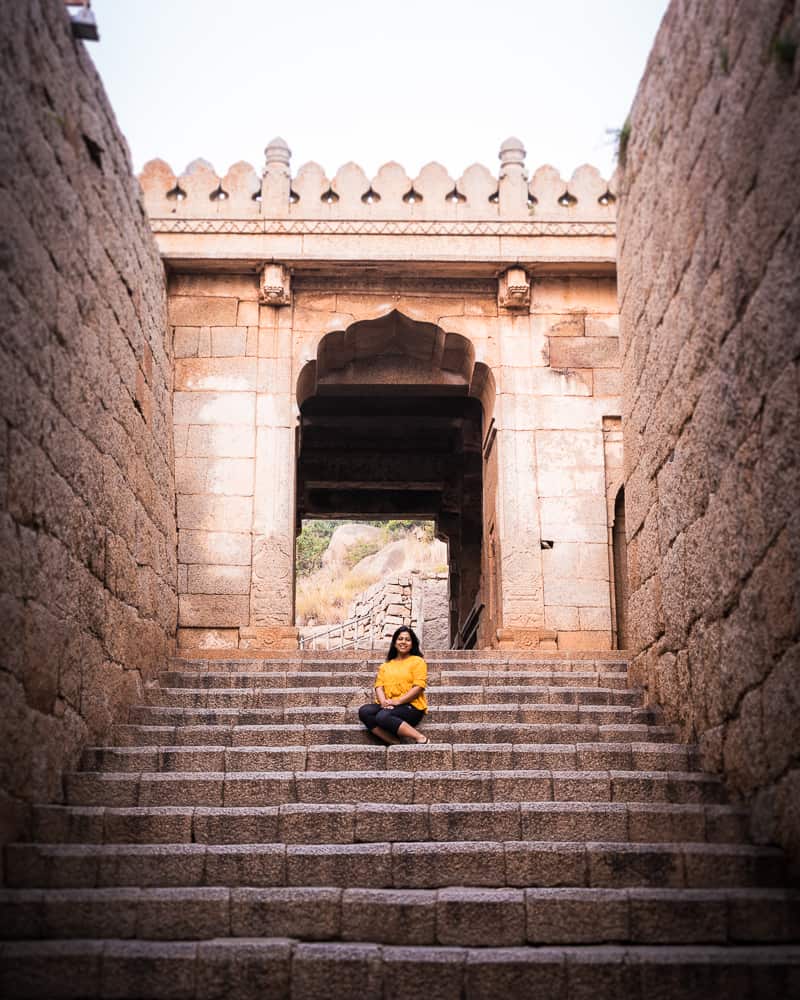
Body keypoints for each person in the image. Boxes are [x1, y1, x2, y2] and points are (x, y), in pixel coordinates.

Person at [358, 626, 430, 745]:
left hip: (411, 707)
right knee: (364, 711)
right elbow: (379, 686)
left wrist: (397, 701)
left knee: (382, 716)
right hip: (389, 705)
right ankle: (393, 741)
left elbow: (419, 687)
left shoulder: (418, 662)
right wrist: (384, 703)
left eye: (407, 639)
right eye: (400, 639)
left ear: (412, 644)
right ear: (395, 643)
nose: (403, 642)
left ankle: (420, 738)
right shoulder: (386, 666)